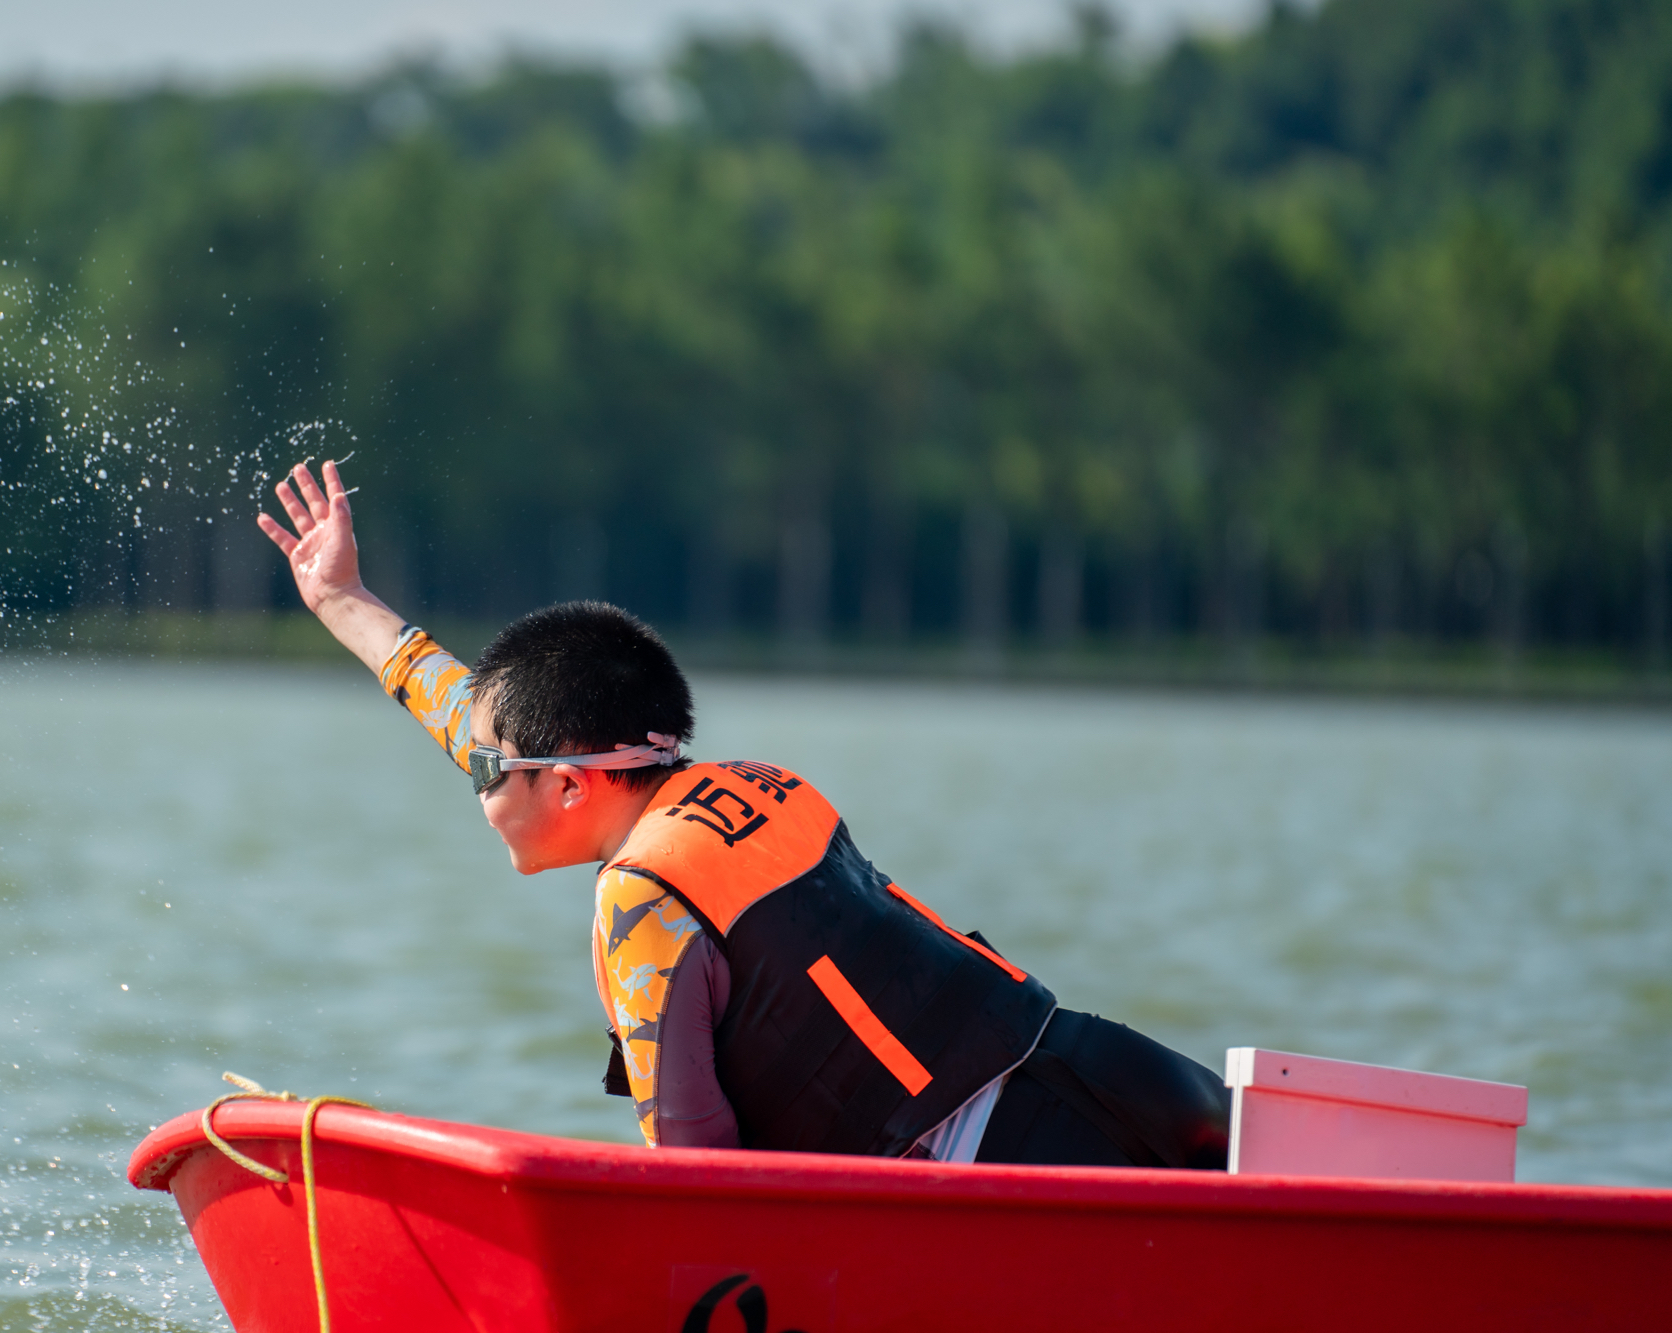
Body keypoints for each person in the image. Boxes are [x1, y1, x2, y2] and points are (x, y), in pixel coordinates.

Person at [259, 460, 1230, 1168]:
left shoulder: (640, 899)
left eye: (484, 772)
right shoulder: (753, 784)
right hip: (1112, 1070)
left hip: (1018, 1165)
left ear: (568, 785)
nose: (472, 785)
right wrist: (341, 598)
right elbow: (469, 708)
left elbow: (697, 1164)